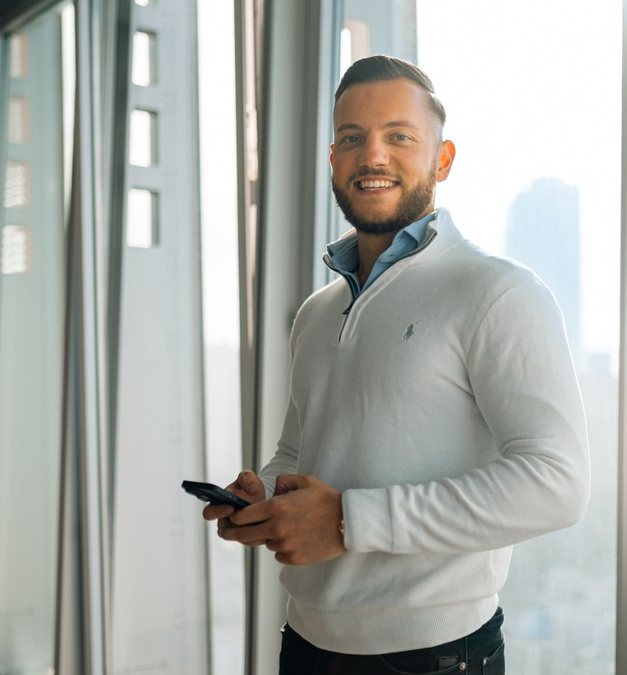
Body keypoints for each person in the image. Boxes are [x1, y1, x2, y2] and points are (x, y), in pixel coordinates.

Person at [203, 54, 590, 675]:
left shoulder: (498, 293)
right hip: (304, 643)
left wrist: (346, 520)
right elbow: (300, 455)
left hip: (434, 656)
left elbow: (558, 485)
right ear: (334, 160)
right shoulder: (317, 311)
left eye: (398, 137)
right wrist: (266, 495)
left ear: (443, 159)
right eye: (352, 138)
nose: (372, 155)